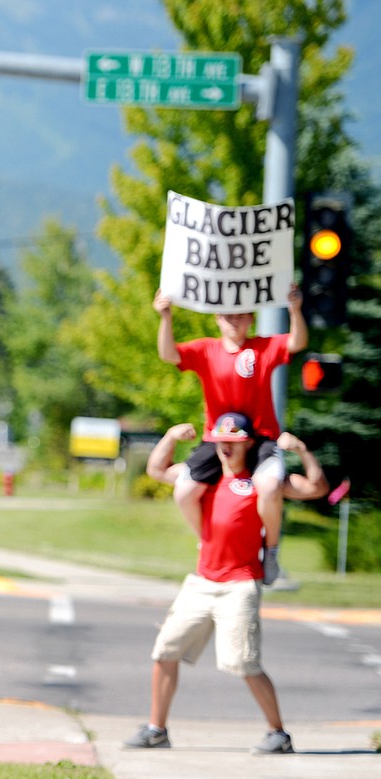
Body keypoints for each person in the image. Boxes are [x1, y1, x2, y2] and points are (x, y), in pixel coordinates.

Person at [124, 413, 328, 754]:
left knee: (245, 663)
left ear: (248, 443)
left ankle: (278, 734)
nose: (226, 448)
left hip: (240, 584)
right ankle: (156, 729)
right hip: (201, 581)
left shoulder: (263, 483)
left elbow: (317, 487)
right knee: (164, 652)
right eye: (221, 442)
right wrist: (172, 437)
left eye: (233, 442)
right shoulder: (205, 479)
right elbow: (157, 470)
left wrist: (303, 451)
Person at [153, 283, 308, 583]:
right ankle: (208, 541)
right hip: (218, 437)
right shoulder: (206, 349)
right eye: (227, 316)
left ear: (251, 318)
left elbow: (296, 342)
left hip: (260, 436)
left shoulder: (262, 347)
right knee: (184, 491)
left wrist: (295, 310)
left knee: (269, 486)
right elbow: (169, 354)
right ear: (217, 319)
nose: (234, 321)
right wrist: (165, 316)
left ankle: (271, 550)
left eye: (240, 315)